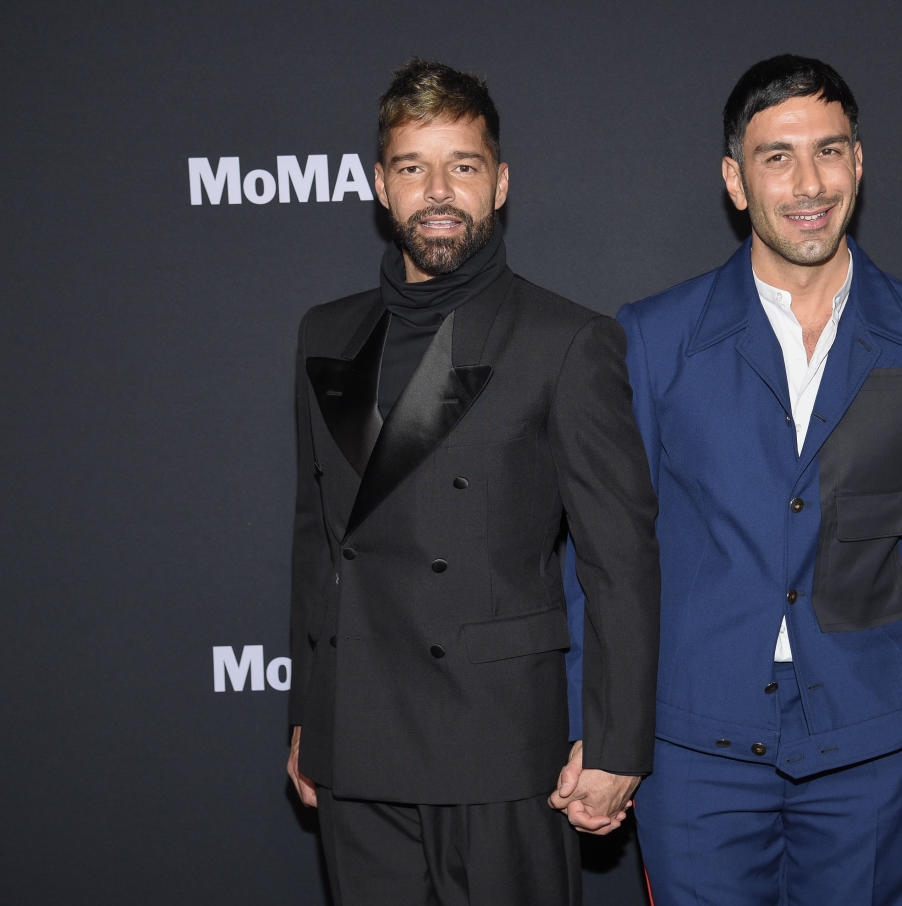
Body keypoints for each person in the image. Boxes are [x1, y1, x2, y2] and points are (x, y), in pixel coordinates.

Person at [606, 54, 902, 904]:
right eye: (776, 157)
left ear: (858, 163)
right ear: (735, 180)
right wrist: (604, 726)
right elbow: (608, 551)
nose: (808, 182)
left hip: (868, 736)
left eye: (829, 151)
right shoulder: (654, 338)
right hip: (693, 741)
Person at [283, 59, 659, 906]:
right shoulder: (325, 333)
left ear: (500, 184)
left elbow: (619, 563)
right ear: (382, 186)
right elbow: (319, 539)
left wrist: (616, 743)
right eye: (414, 168)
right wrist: (311, 712)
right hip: (359, 740)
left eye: (464, 165)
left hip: (494, 738)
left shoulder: (565, 339)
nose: (439, 190)